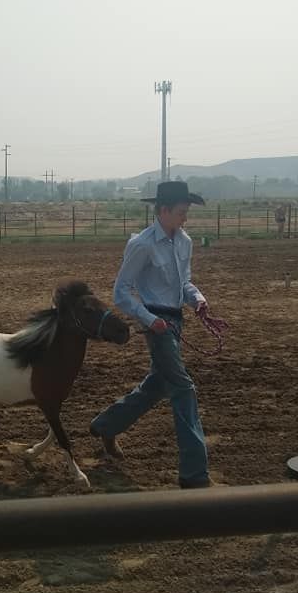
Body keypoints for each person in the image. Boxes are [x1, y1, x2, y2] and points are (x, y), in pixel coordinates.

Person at [90, 181, 216, 489]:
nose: (186, 218)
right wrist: (149, 318)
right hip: (157, 325)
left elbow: (184, 283)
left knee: (157, 385)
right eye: (182, 212)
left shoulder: (184, 241)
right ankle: (194, 474)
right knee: (183, 388)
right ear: (163, 210)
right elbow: (120, 292)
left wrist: (197, 298)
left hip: (175, 320)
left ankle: (106, 425)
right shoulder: (142, 244)